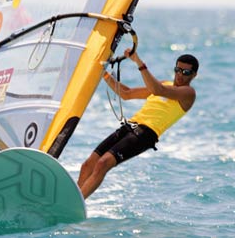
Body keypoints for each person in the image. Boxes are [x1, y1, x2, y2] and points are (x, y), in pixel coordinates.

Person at [77, 48, 199, 199]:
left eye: (186, 72)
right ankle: (71, 199)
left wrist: (138, 62)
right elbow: (126, 93)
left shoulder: (188, 93)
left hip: (146, 134)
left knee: (103, 163)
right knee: (88, 164)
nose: (180, 75)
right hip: (130, 126)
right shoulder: (165, 84)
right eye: (178, 70)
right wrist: (103, 72)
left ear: (194, 75)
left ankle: (77, 202)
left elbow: (157, 90)